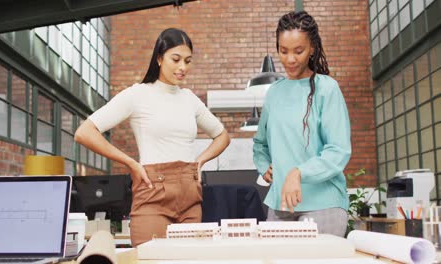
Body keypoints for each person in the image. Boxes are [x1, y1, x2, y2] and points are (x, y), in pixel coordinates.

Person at [74, 28, 230, 246]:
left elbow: (222, 136)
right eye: (175, 59)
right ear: (159, 58)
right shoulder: (138, 94)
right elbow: (84, 132)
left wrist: (200, 161)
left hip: (190, 196)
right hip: (152, 194)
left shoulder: (189, 99)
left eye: (188, 60)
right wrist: (130, 163)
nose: (182, 67)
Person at [253, 11, 351, 237]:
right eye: (283, 51)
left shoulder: (327, 89)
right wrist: (264, 166)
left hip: (323, 203)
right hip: (280, 204)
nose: (289, 59)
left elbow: (338, 150)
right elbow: (259, 144)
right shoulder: (274, 93)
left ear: (312, 48)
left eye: (298, 51)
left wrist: (298, 173)